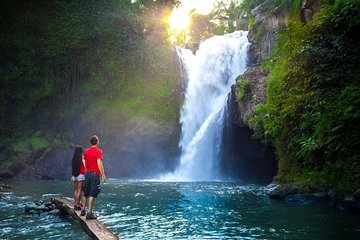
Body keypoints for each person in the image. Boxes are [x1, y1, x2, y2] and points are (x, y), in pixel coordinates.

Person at [81, 135, 106, 220]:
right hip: (95, 174)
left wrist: (86, 168)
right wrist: (103, 174)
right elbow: (99, 163)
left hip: (87, 173)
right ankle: (89, 213)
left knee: (86, 192)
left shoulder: (86, 151)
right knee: (92, 193)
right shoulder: (98, 151)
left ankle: (83, 210)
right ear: (97, 141)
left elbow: (83, 160)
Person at [71, 146, 85, 211]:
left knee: (76, 190)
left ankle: (76, 203)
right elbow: (85, 165)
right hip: (81, 175)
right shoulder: (82, 157)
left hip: (74, 175)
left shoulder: (73, 158)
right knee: (80, 190)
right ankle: (77, 205)